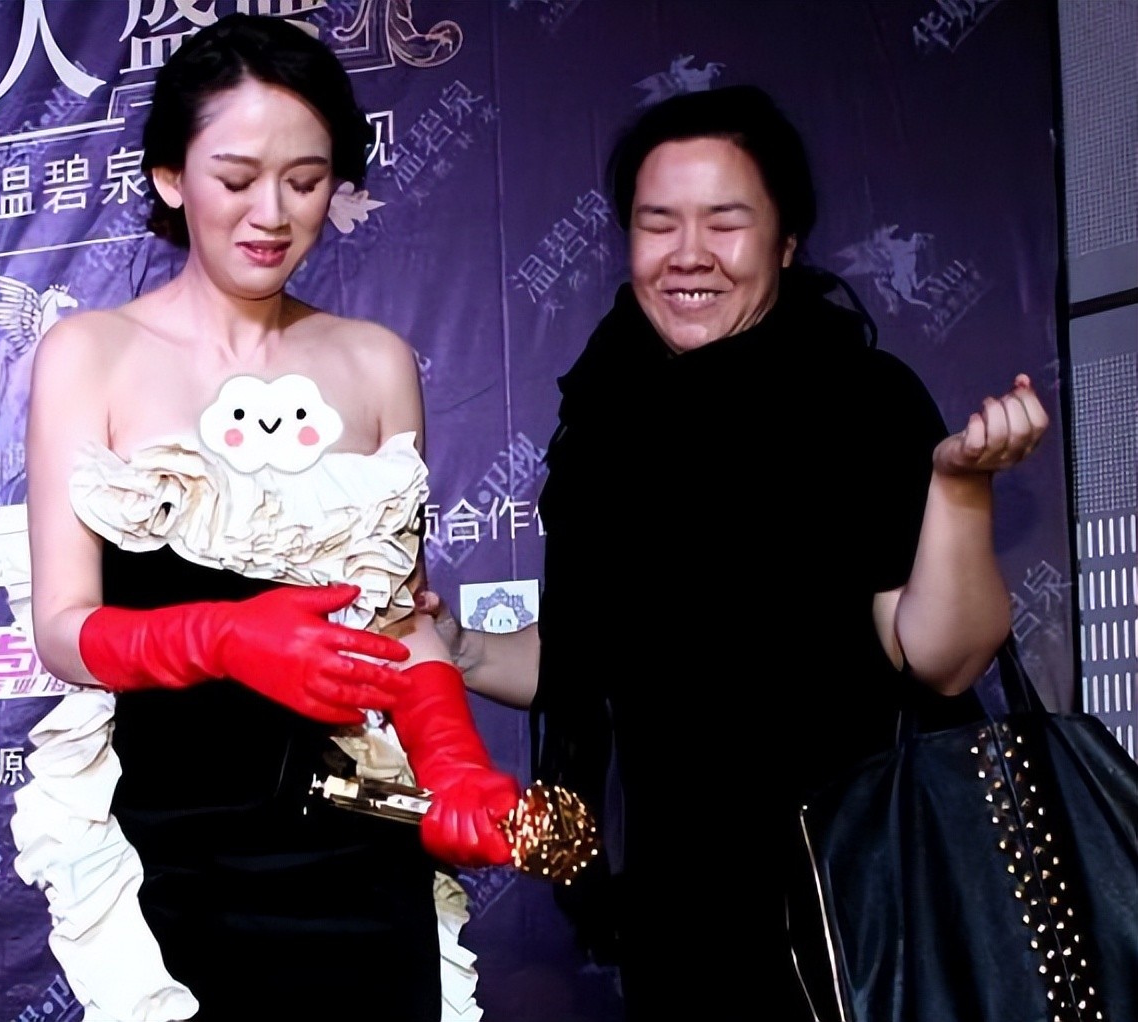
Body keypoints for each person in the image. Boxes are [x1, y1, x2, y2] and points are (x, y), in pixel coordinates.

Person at [414, 84, 1049, 1021]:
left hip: (852, 906)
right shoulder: (604, 419)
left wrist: (958, 486)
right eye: (657, 223)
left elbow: (943, 658)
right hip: (677, 909)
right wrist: (461, 650)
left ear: (785, 241)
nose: (689, 253)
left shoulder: (859, 399)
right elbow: (592, 656)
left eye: (726, 221)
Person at [11, 14, 518, 1021]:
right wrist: (222, 636)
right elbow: (64, 630)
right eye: (237, 178)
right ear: (171, 177)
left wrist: (455, 760)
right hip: (179, 845)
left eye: (306, 179)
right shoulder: (90, 354)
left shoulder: (377, 361)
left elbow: (398, 615)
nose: (273, 213)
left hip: (357, 839)